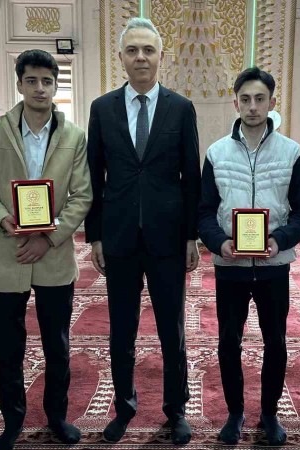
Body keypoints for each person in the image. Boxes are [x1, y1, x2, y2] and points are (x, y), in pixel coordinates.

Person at [85, 17, 201, 445]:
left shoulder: (180, 108)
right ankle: (124, 407)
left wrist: (190, 236)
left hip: (167, 239)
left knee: (173, 331)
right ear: (121, 57)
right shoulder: (102, 109)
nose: (140, 57)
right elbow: (93, 175)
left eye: (148, 50)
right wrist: (95, 236)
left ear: (160, 57)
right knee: (122, 331)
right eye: (132, 50)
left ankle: (176, 410)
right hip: (119, 239)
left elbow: (191, 176)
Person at [0, 49, 92, 450]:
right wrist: (3, 219)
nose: (40, 88)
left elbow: (82, 196)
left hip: (54, 255)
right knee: (9, 347)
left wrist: (48, 237)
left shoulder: (74, 136)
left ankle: (57, 417)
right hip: (8, 253)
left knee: (57, 344)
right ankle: (12, 422)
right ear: (19, 84)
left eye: (47, 81)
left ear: (56, 86)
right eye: (31, 80)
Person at [198, 67, 300, 445]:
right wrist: (219, 243)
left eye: (259, 99)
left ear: (271, 102)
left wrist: (279, 241)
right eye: (245, 99)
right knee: (228, 342)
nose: (252, 106)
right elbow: (204, 211)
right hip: (230, 266)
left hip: (273, 266)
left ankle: (269, 413)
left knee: (275, 342)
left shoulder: (290, 152)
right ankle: (235, 414)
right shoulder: (217, 153)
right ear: (235, 103)